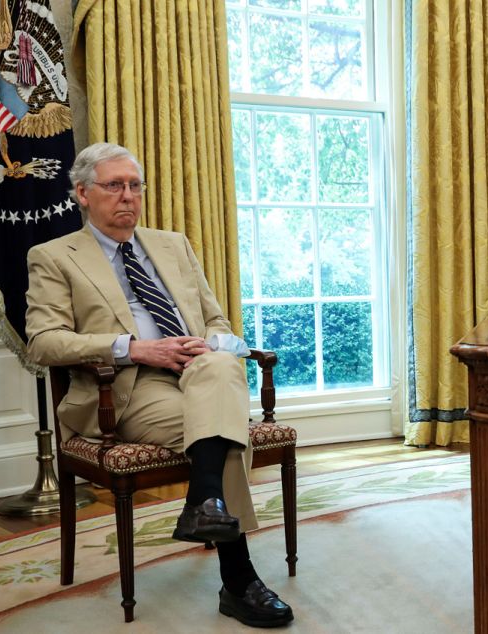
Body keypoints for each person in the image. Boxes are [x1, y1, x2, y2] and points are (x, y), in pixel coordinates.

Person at [25, 143, 294, 628]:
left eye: (134, 185)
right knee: (225, 435)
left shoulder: (172, 244)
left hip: (198, 374)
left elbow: (217, 320)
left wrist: (208, 342)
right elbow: (44, 342)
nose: (127, 196)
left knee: (221, 366)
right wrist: (136, 348)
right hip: (124, 389)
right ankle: (239, 578)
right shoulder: (53, 257)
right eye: (114, 186)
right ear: (83, 194)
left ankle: (203, 503)